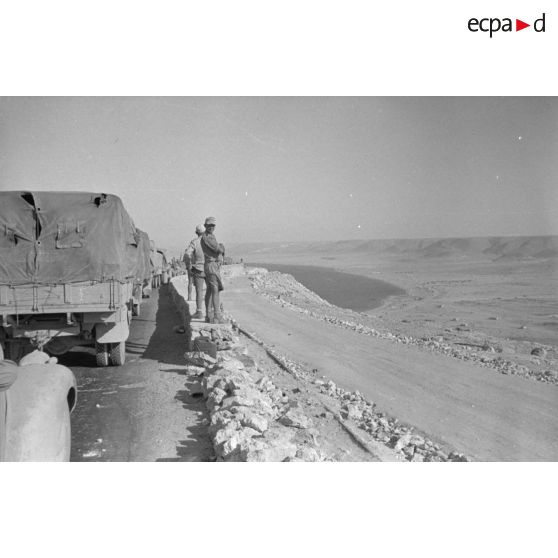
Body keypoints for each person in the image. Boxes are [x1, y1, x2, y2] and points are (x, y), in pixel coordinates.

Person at [200, 216, 225, 323]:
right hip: (211, 265)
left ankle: (208, 315)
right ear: (205, 226)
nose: (211, 227)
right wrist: (221, 248)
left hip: (210, 265)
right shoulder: (207, 237)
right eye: (209, 225)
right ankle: (216, 316)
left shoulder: (209, 236)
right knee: (215, 290)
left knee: (210, 290)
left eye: (213, 225)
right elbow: (218, 248)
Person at [184, 225, 206, 319]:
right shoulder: (210, 241)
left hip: (198, 268)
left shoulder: (195, 242)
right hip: (209, 268)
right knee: (210, 291)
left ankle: (199, 312)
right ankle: (210, 312)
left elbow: (187, 254)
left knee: (199, 291)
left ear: (197, 233)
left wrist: (189, 266)